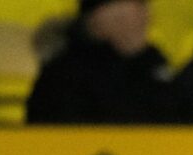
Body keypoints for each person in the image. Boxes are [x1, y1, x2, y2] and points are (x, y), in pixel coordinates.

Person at [26, 0, 177, 123]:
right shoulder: (65, 73)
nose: (146, 16)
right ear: (101, 14)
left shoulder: (152, 63)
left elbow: (180, 116)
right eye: (137, 6)